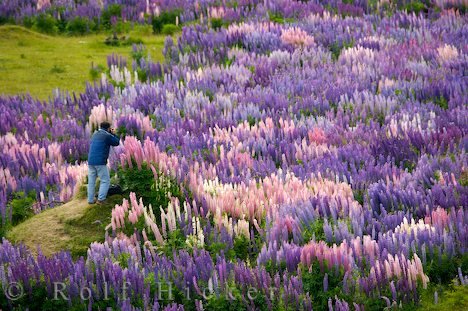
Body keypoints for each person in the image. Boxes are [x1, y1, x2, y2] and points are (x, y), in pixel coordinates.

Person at [87, 121, 120, 205]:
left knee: (91, 181)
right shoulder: (106, 135)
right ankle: (101, 199)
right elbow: (116, 142)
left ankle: (90, 200)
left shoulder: (95, 134)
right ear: (108, 128)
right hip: (100, 162)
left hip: (90, 161)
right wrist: (114, 134)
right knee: (105, 180)